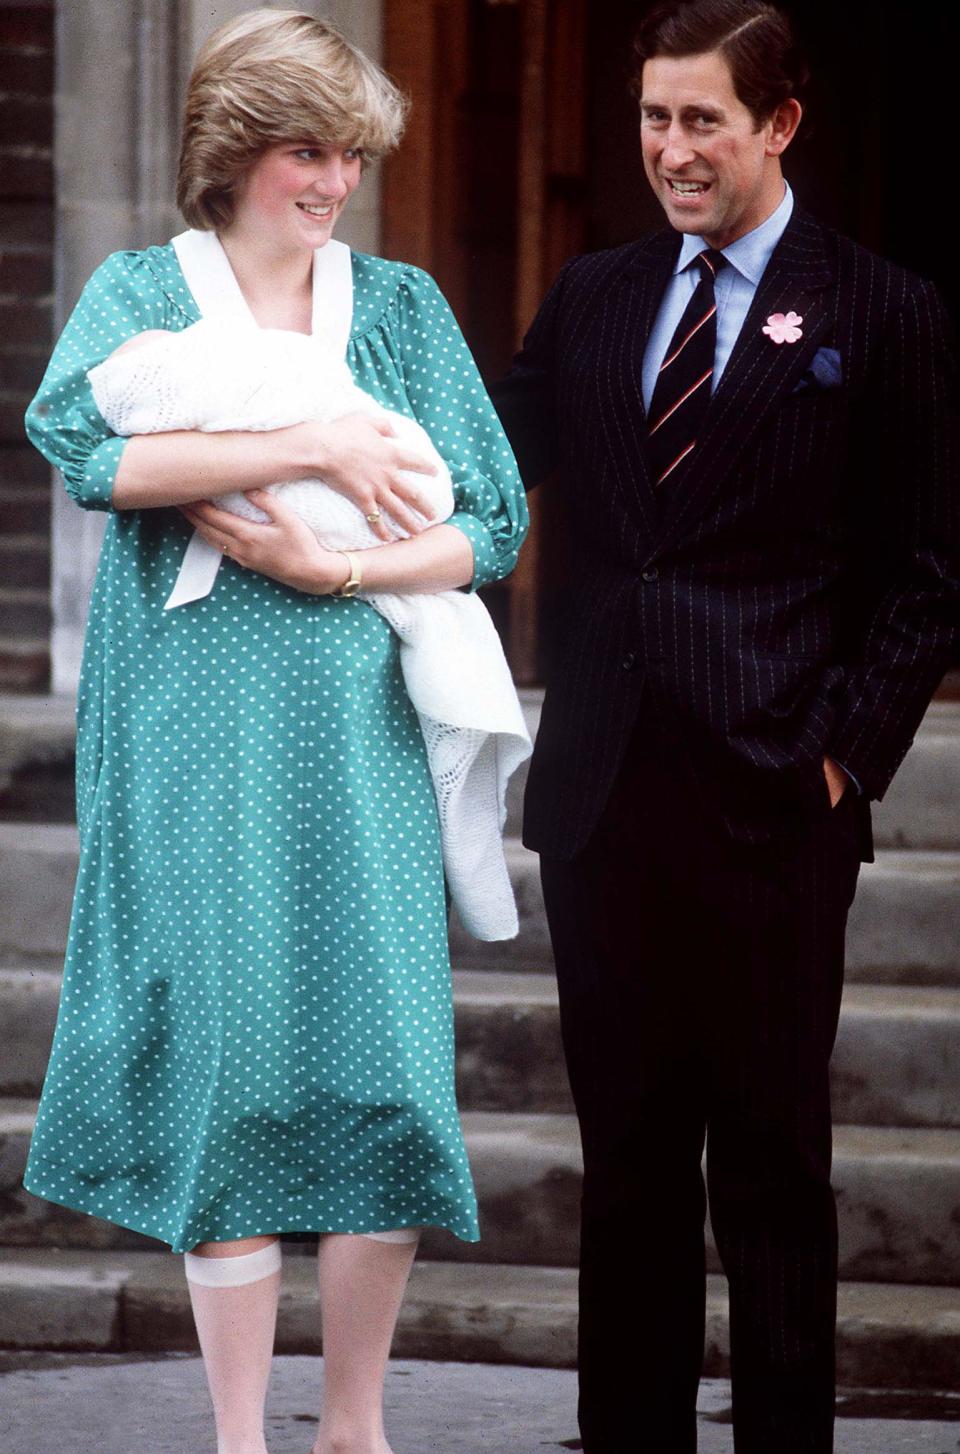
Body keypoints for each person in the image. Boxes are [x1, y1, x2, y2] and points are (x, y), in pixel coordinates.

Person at [22, 11, 527, 1454]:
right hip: (190, 730)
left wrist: (336, 566)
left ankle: (351, 1424)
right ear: (236, 151)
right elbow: (94, 453)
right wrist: (312, 443)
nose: (335, 180)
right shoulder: (141, 295)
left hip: (362, 735)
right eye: (310, 148)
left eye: (352, 152)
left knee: (383, 1062)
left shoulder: (402, 310)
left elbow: (491, 524)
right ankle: (241, 1431)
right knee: (228, 1067)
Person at [491, 1, 959, 1450]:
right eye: (652, 118)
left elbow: (931, 571)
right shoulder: (594, 296)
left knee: (769, 1171)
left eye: (702, 120)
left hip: (773, 802)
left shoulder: (884, 310)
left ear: (781, 124)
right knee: (627, 1167)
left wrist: (840, 753)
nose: (671, 150)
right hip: (605, 799)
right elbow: (485, 473)